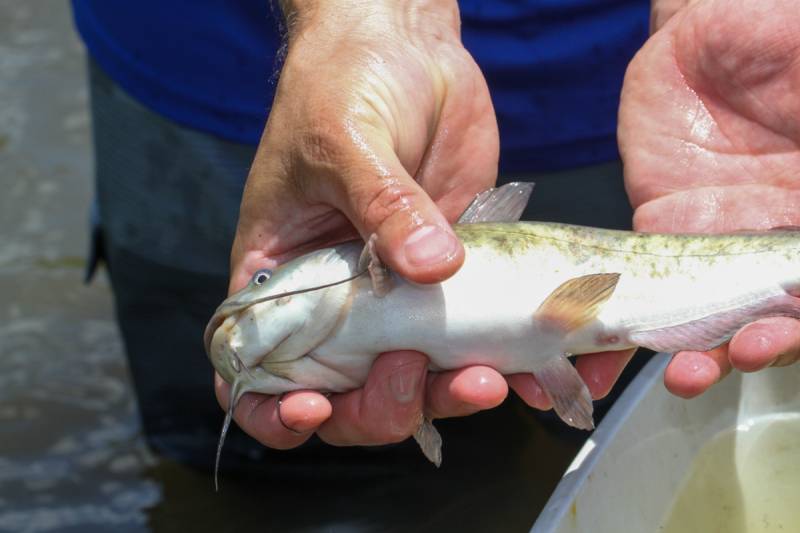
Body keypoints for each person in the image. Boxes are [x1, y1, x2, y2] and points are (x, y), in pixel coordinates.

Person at [73, 0, 800, 529]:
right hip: (237, 84)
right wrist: (368, 20)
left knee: (594, 442)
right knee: (257, 481)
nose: (257, 303)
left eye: (265, 285)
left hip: (642, 83)